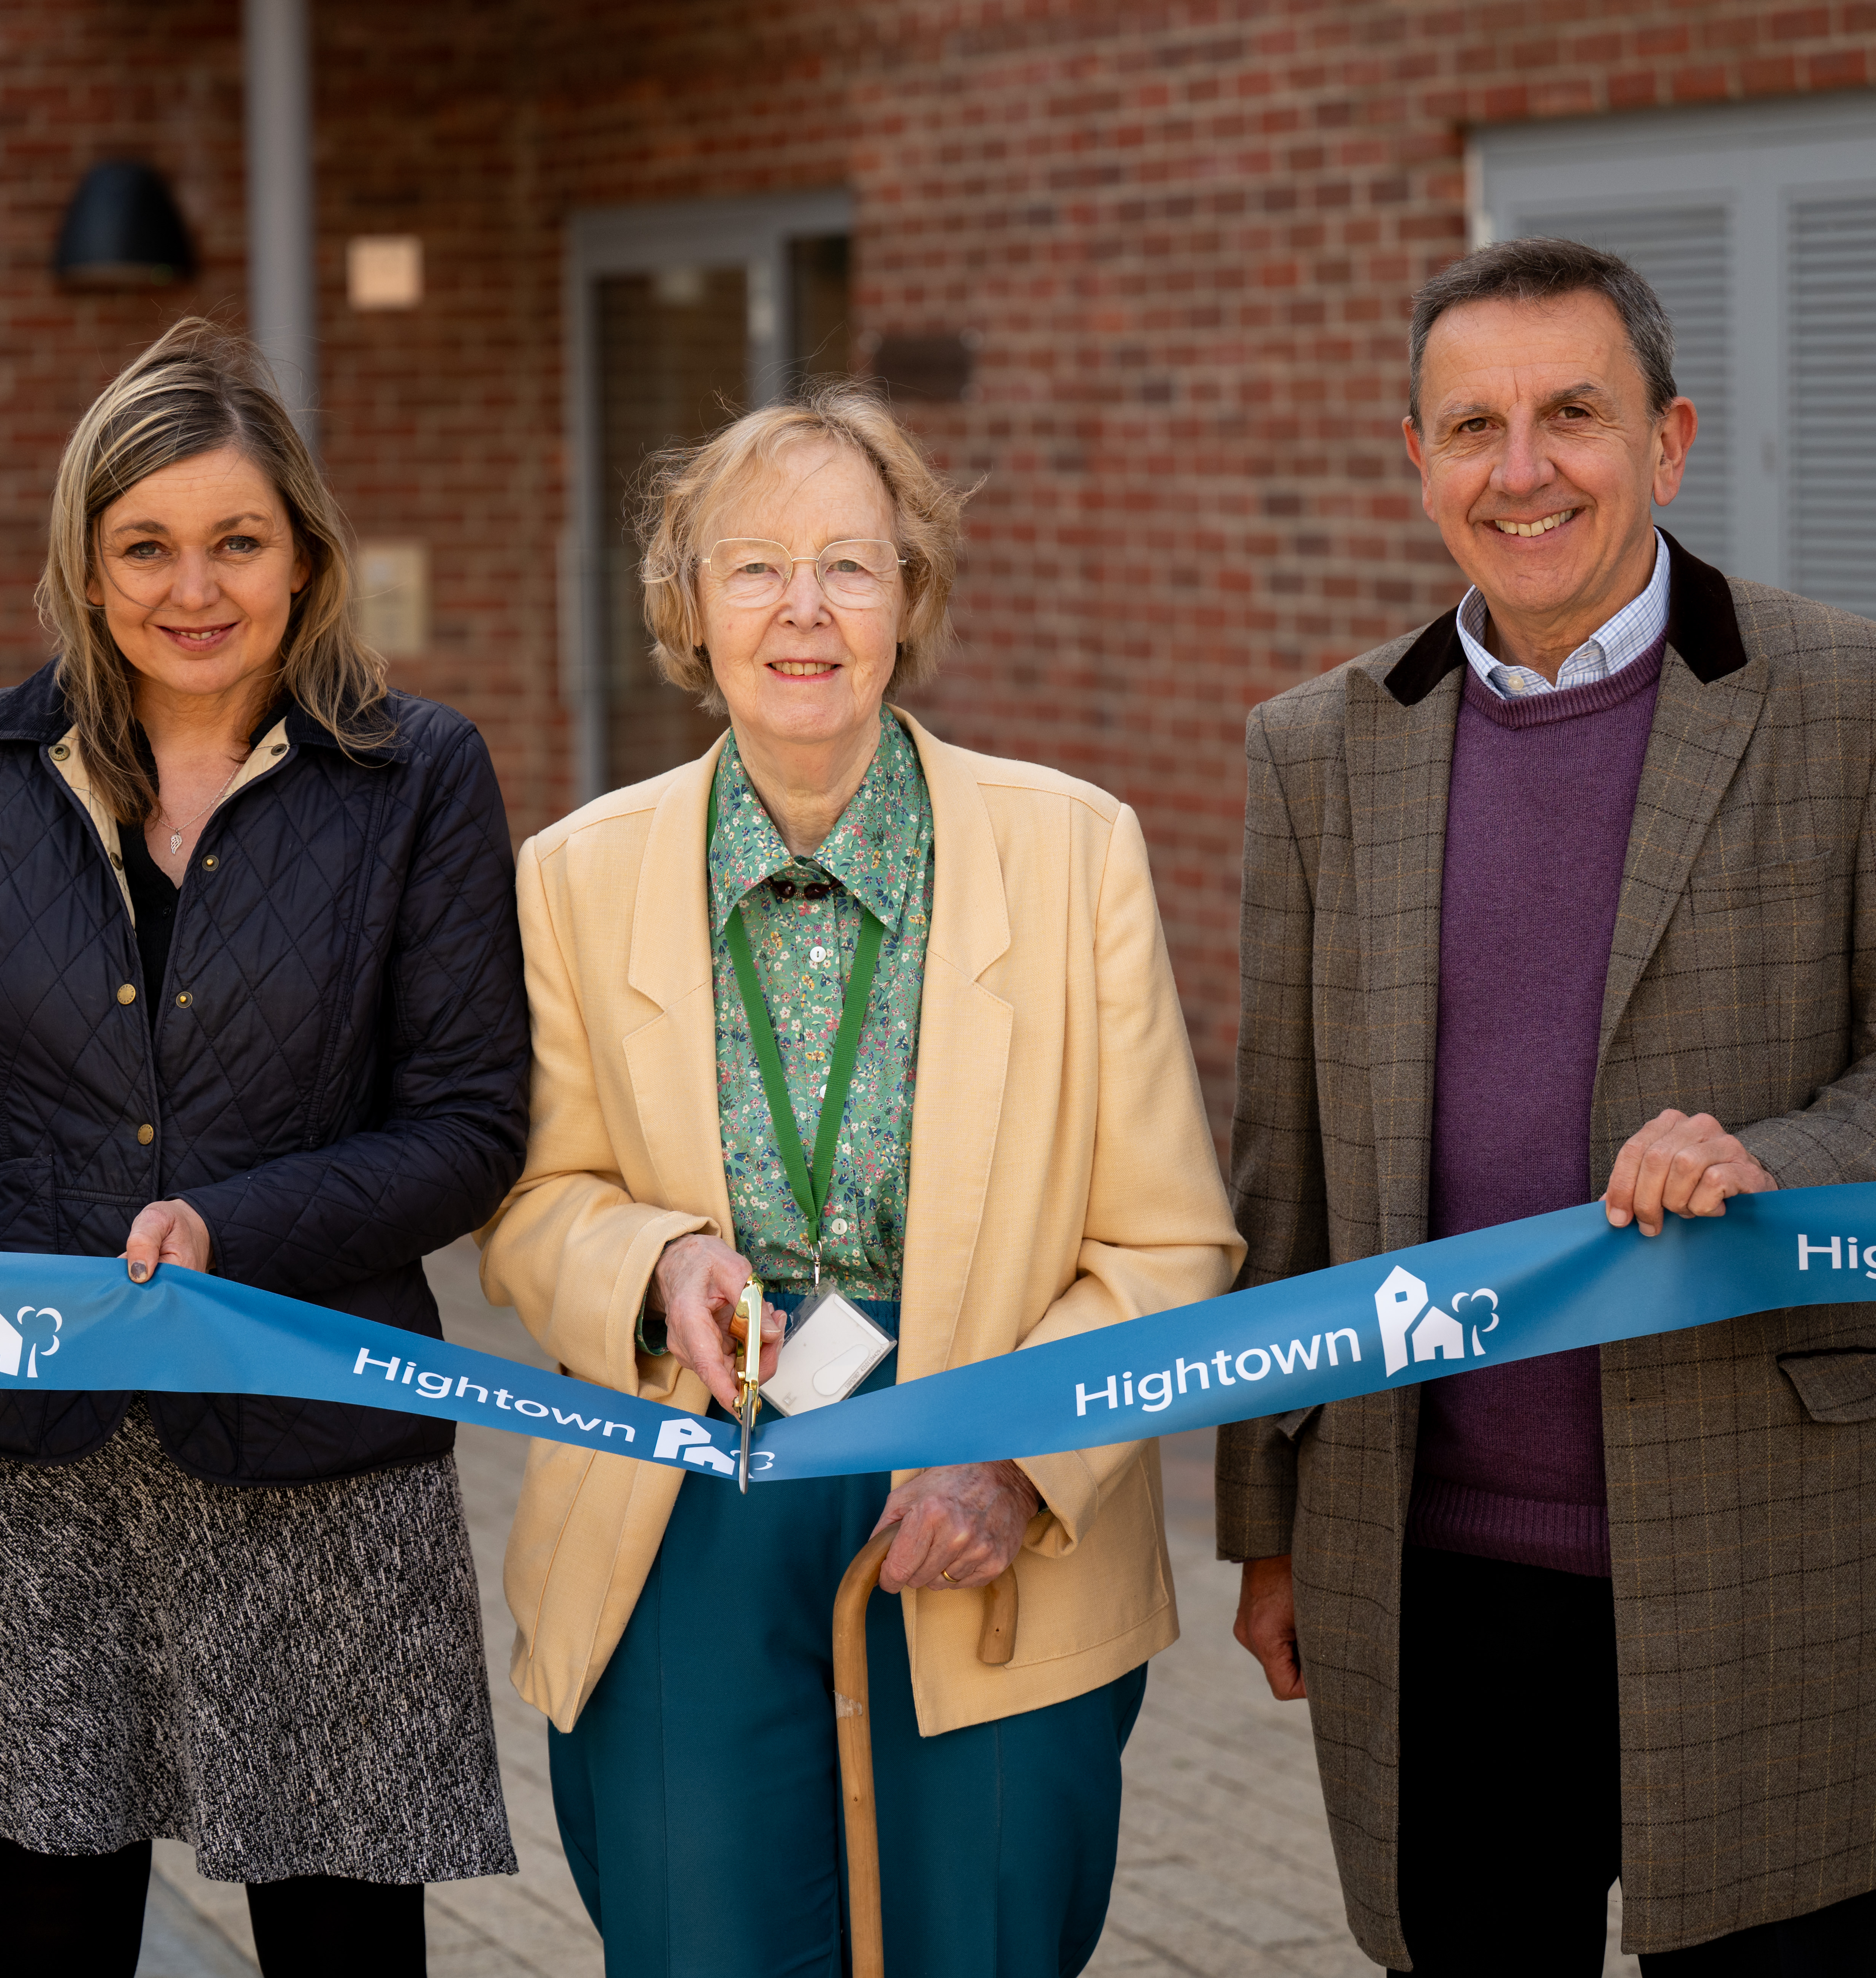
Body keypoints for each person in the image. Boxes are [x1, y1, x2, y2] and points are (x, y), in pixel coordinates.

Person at [1218, 238, 1876, 1975]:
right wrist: (1267, 1530)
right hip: (1430, 1565)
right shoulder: (1316, 751)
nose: (1524, 473)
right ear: (1418, 458)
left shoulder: (1862, 705)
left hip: (1761, 1547)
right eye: (1474, 427)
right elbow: (1281, 1167)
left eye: (1571, 416)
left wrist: (1779, 1158)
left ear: (1666, 442)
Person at [479, 384, 1242, 1977]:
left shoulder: (1075, 850)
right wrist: (653, 1262)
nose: (803, 611)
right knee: (709, 1942)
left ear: (915, 596)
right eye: (753, 567)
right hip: (687, 1493)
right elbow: (535, 1205)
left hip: (980, 1493)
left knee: (979, 1933)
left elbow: (1170, 1235)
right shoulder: (573, 872)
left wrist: (1018, 1463)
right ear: (689, 607)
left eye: (851, 564)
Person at [0, 319, 531, 1976]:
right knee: (42, 1947)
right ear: (86, 559)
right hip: (30, 1465)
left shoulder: (415, 780)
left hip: (314, 1450)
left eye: (235, 542)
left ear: (303, 560)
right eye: (146, 544)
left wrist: (227, 1224)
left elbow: (470, 1128)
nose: (191, 587)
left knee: (345, 1951)